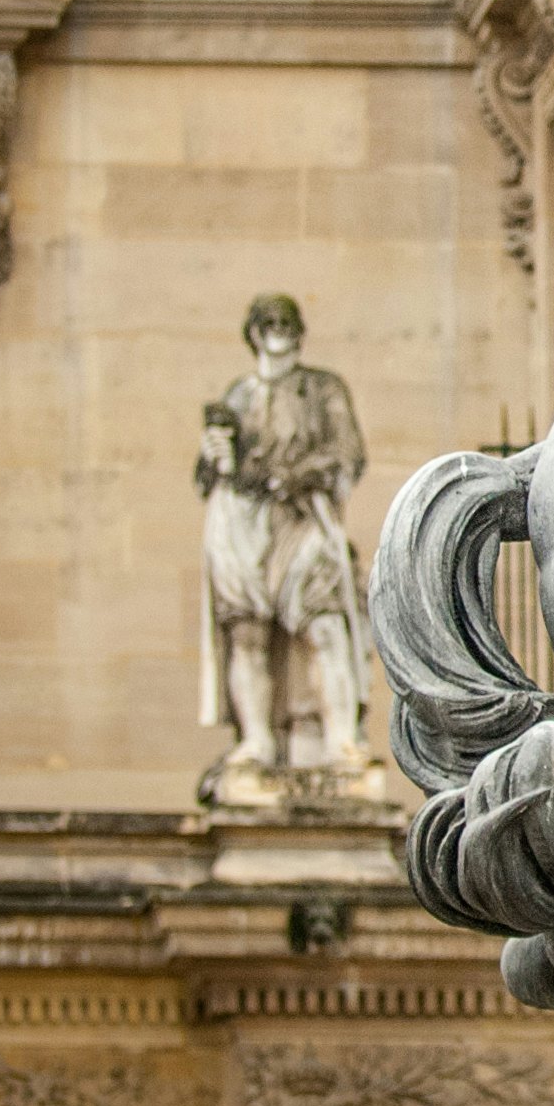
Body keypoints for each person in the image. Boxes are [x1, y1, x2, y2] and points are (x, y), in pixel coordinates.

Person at [195, 293, 381, 796]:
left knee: (325, 625)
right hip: (242, 522)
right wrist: (213, 457)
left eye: (288, 323)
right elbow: (207, 475)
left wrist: (290, 475)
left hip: (302, 518)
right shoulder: (237, 395)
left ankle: (342, 738)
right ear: (254, 333)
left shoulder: (322, 389)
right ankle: (256, 739)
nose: (281, 331)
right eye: (270, 323)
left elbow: (347, 453)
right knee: (247, 635)